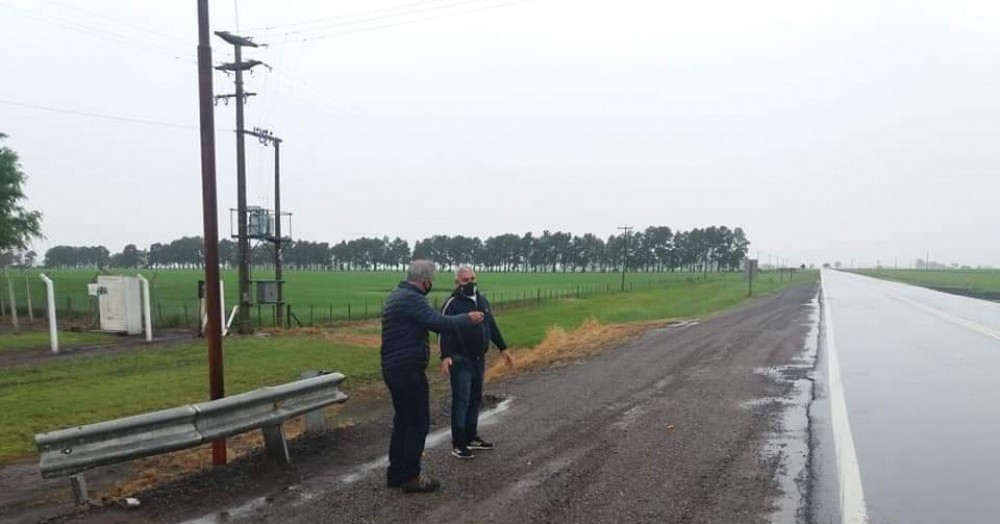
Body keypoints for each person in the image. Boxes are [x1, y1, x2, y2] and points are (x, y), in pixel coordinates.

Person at [381, 260, 485, 493]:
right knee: (418, 422)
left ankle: (396, 473)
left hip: (392, 368)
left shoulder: (397, 295)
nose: (431, 284)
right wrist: (469, 319)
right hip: (407, 369)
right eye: (431, 281)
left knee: (403, 421)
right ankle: (411, 477)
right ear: (425, 280)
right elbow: (439, 323)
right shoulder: (412, 299)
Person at [439, 265, 514, 460]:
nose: (470, 282)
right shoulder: (452, 303)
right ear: (457, 282)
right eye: (465, 280)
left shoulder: (482, 300)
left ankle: (471, 437)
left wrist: (503, 348)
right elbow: (443, 329)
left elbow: (492, 325)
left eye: (472, 278)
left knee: (475, 399)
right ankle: (458, 444)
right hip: (460, 360)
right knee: (461, 401)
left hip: (479, 359)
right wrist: (445, 356)